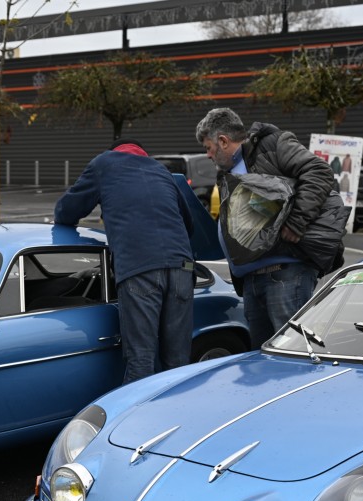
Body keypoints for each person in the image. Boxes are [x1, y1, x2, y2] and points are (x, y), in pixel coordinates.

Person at [195, 107, 342, 348]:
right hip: (252, 280)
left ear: (223, 141)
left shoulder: (272, 145)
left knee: (290, 352)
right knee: (261, 357)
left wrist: (296, 222)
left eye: (208, 148)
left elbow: (319, 172)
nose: (208, 155)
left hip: (285, 274)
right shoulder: (227, 173)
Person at [54, 137, 197, 383]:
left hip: (139, 268)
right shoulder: (161, 170)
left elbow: (67, 210)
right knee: (177, 363)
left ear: (114, 151)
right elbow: (189, 223)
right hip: (182, 267)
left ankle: (138, 410)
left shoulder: (104, 164)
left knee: (141, 359)